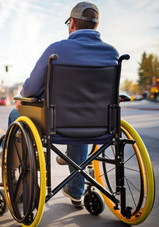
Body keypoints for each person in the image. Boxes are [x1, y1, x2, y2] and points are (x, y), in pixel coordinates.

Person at [8, 2, 119, 207]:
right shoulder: (111, 53)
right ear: (96, 26)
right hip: (100, 125)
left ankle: (21, 181)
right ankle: (76, 190)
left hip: (57, 125)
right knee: (84, 121)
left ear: (73, 23)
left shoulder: (57, 49)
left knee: (15, 117)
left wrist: (23, 94)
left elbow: (31, 89)